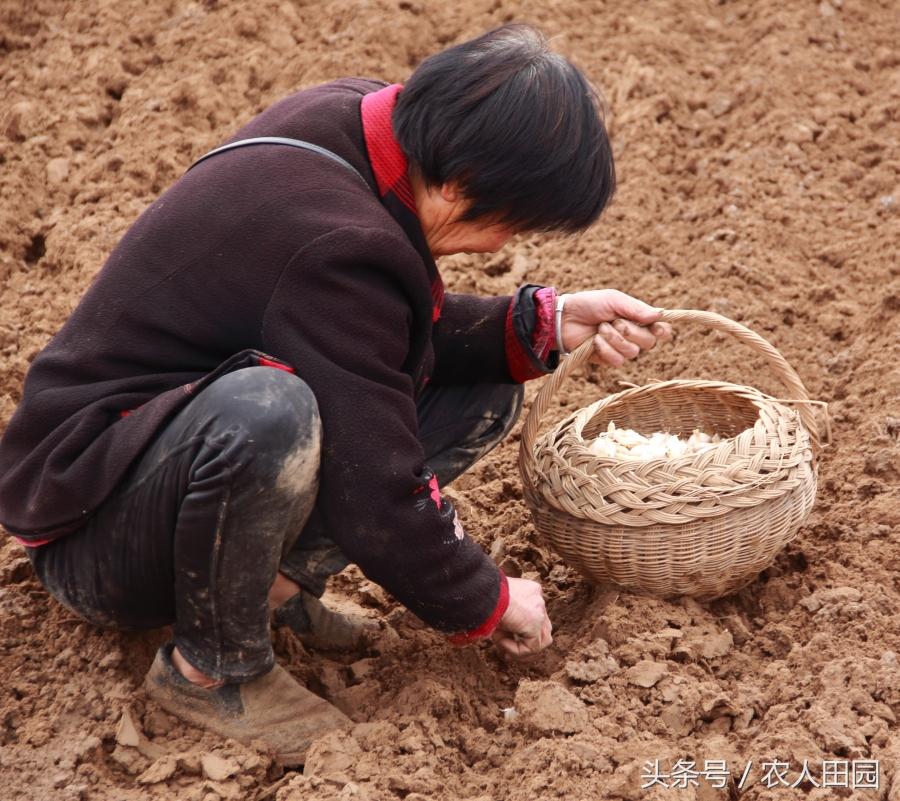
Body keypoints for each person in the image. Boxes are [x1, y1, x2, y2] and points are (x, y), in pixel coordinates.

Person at [0, 23, 671, 764]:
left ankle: (271, 594)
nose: (500, 248)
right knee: (267, 413)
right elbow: (374, 486)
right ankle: (212, 667)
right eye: (510, 223)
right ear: (457, 186)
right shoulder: (338, 243)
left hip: (161, 464)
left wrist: (543, 322)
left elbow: (369, 344)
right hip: (93, 528)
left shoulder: (357, 123)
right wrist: (488, 597)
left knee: (487, 379)